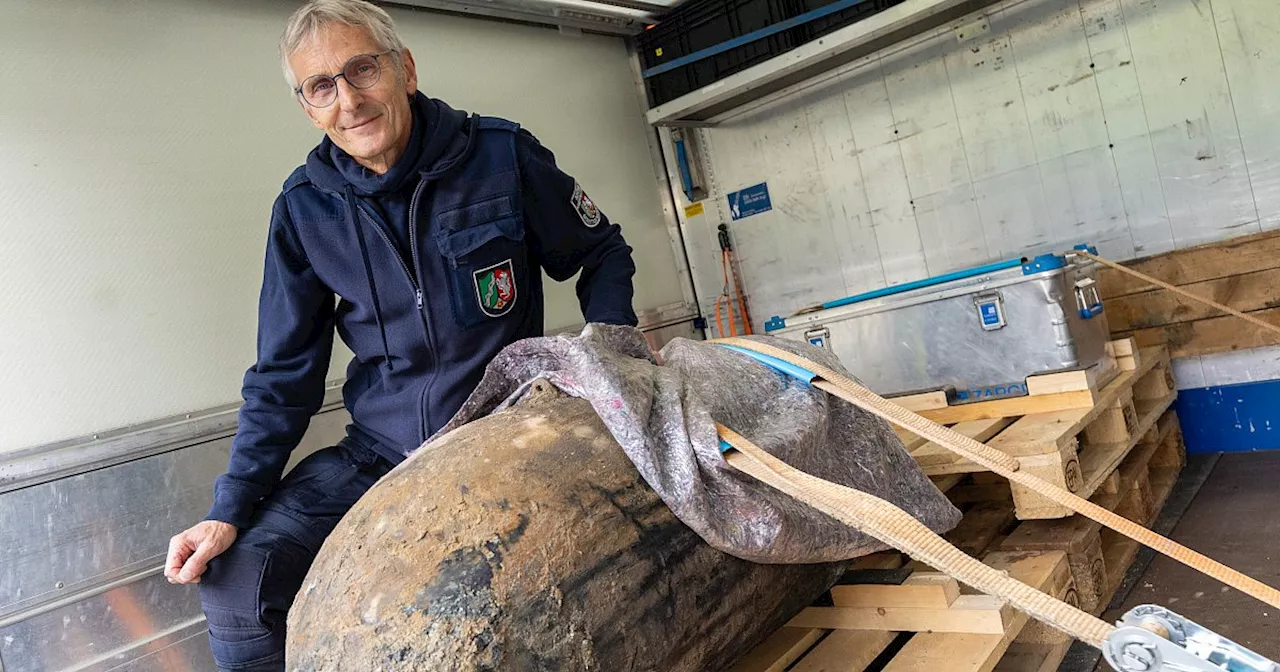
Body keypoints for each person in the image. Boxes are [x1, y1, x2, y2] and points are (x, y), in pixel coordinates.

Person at [163, 1, 638, 669]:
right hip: (381, 456)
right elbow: (283, 377)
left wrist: (610, 358)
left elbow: (601, 252)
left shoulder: (500, 156)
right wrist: (229, 507)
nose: (349, 100)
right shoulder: (304, 211)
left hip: (503, 440)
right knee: (239, 584)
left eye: (363, 70)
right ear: (308, 107)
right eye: (322, 86)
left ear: (404, 69)